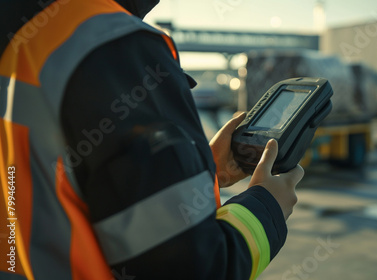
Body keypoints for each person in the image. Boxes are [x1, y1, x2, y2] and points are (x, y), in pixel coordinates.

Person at [0, 0, 303, 279]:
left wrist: (202, 169)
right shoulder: (110, 47)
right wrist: (267, 208)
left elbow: (52, 180)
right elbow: (191, 269)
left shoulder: (26, 34)